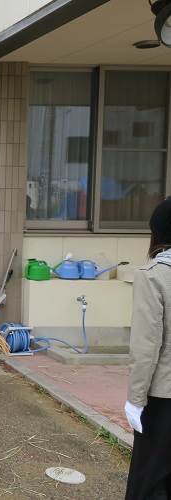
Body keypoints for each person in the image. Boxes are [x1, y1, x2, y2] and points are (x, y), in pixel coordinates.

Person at [125, 198, 171, 500]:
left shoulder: (154, 276)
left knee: (150, 480)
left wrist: (135, 399)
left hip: (162, 398)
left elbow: (146, 348)